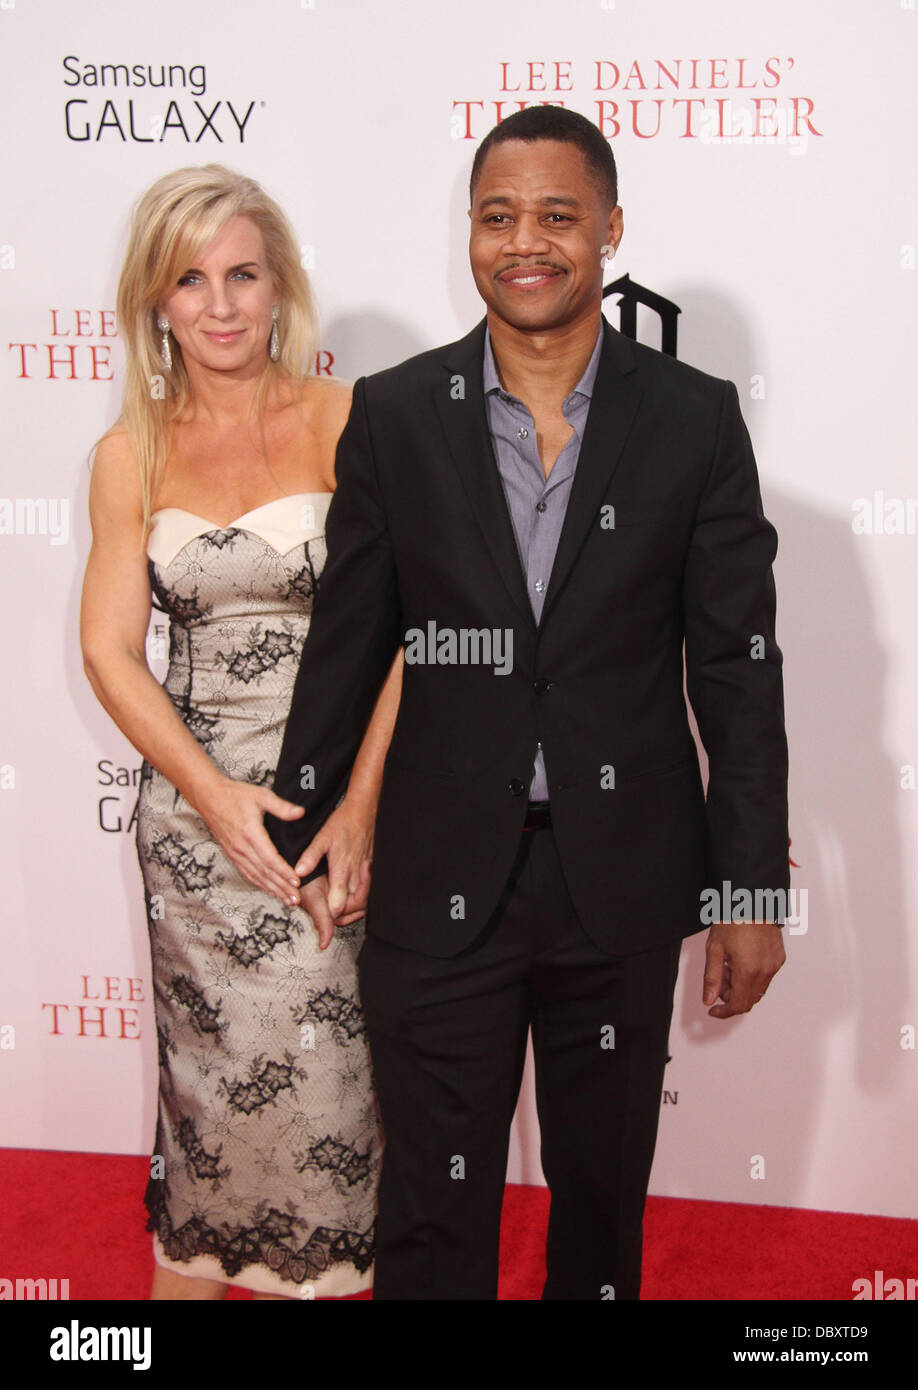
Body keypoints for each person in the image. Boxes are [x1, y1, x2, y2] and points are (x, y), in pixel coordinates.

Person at [267, 107, 789, 1300]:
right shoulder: (396, 415)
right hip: (438, 879)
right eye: (498, 215)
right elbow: (352, 642)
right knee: (432, 1218)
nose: (526, 242)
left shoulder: (693, 418)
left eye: (558, 214)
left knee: (600, 1214)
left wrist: (751, 889)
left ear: (610, 228)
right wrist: (299, 833)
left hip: (621, 887)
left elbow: (739, 673)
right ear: (470, 232)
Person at [80, 164, 399, 1300]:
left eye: (243, 275)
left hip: (332, 832)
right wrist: (214, 799)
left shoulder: (350, 419)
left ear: (279, 287)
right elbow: (113, 651)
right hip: (197, 841)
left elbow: (411, 630)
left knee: (332, 1126)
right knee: (209, 1124)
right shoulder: (132, 454)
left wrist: (359, 812)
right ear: (154, 303)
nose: (220, 305)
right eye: (190, 280)